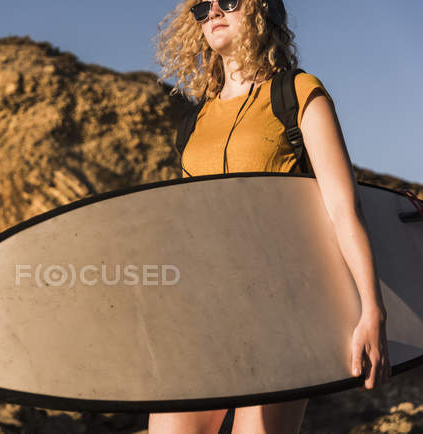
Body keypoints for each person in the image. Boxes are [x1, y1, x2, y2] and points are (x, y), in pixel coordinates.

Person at [151, 0, 391, 432]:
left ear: (264, 12)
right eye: (203, 8)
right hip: (205, 309)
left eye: (229, 2)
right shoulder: (195, 121)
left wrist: (372, 310)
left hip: (282, 308)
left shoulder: (296, 93)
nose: (213, 14)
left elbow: (343, 207)